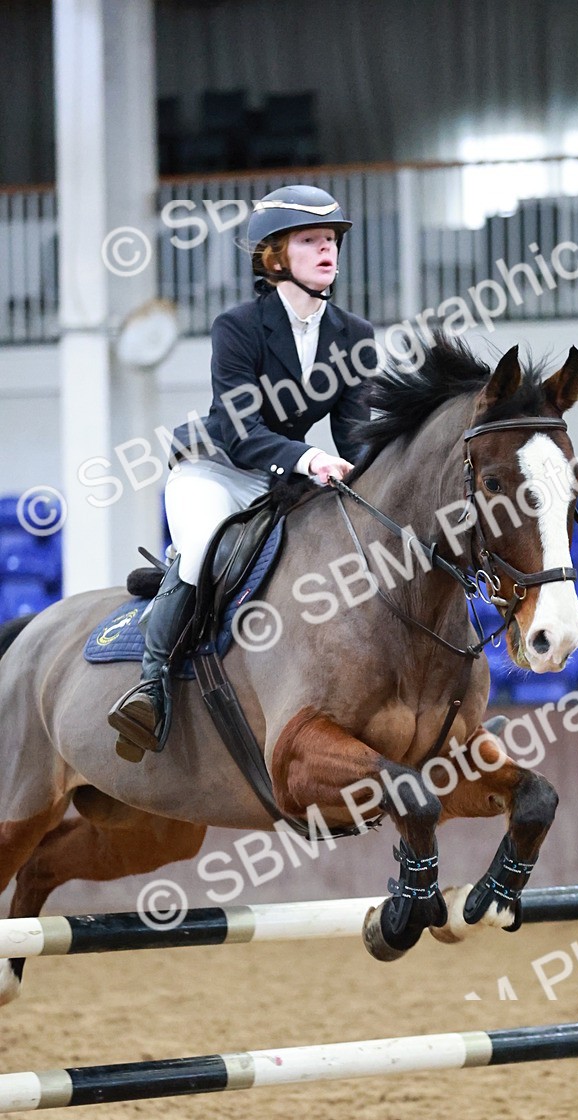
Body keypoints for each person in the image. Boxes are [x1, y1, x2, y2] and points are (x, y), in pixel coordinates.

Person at [108, 184, 376, 763]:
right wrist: (311, 458)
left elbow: (358, 437)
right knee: (204, 546)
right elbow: (240, 429)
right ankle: (151, 686)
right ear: (277, 256)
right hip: (215, 467)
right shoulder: (238, 327)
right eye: (311, 240)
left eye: (331, 239)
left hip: (282, 477)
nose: (328, 250)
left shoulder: (354, 336)